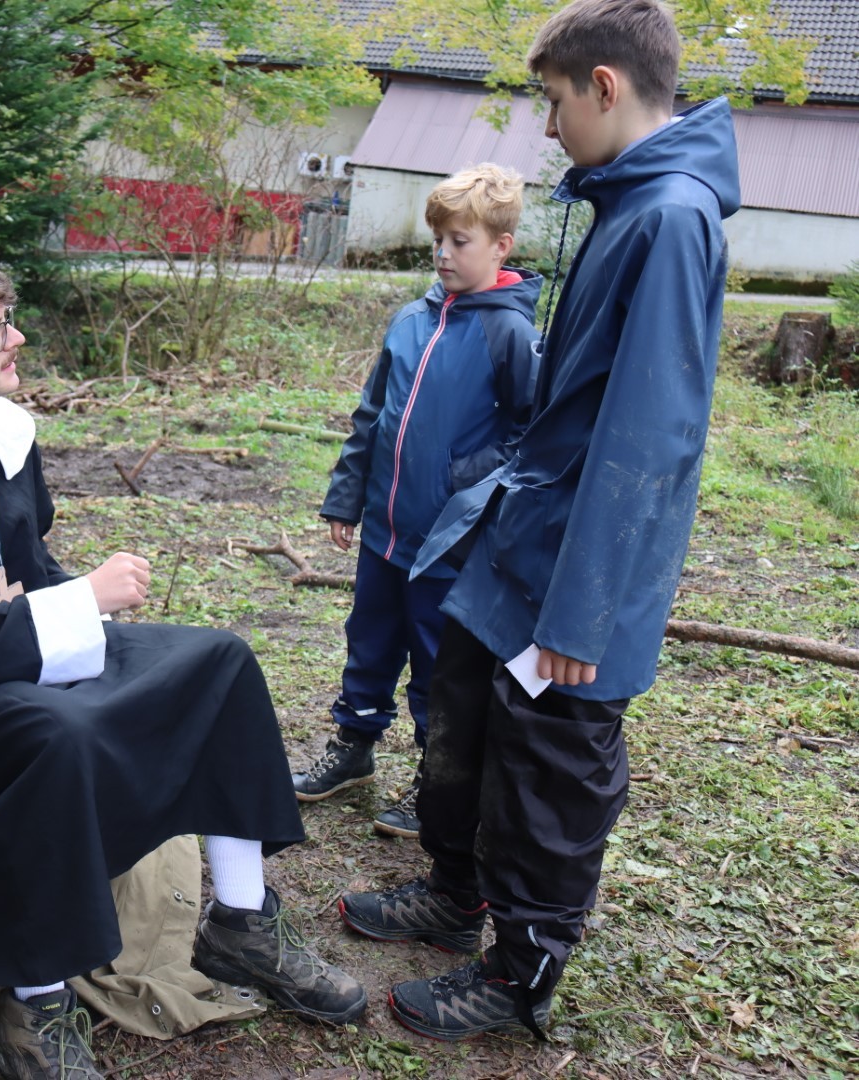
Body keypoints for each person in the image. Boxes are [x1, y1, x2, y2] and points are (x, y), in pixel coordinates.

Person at [0, 246, 366, 1080]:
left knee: (220, 662)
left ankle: (241, 922)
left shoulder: (6, 432)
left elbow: (27, 563)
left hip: (23, 653)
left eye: (10, 320)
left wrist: (61, 603)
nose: (16, 339)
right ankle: (37, 1000)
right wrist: (80, 600)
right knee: (58, 739)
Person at [337, 0, 740, 1042]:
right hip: (521, 543)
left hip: (576, 575)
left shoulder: (672, 217)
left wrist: (582, 614)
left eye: (556, 102)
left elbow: (649, 437)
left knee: (548, 768)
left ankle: (521, 973)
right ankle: (454, 891)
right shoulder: (627, 203)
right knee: (463, 716)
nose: (549, 128)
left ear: (605, 85)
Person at [294, 163, 542, 841]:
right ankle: (353, 747)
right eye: (438, 240)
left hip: (448, 544)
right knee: (370, 641)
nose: (444, 254)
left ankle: (437, 778)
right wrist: (347, 498)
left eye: (461, 241)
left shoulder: (510, 334)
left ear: (501, 246)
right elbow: (372, 416)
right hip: (385, 530)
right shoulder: (410, 320)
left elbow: (530, 433)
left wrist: (468, 476)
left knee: (439, 663)